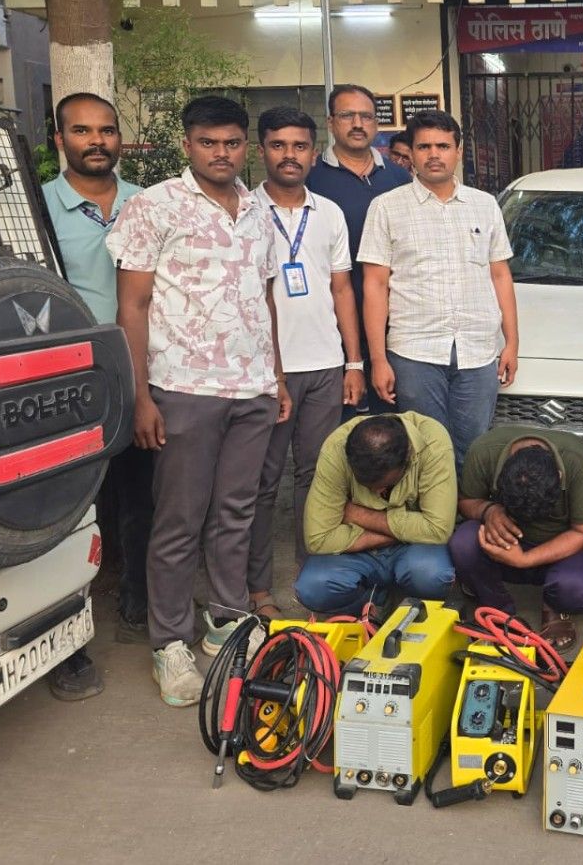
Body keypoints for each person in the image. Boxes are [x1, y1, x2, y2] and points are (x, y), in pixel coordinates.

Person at [107, 95, 291, 708]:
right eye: (208, 142)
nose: (221, 153)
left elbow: (264, 300)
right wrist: (140, 397)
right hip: (183, 389)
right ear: (187, 145)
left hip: (251, 388)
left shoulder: (258, 211)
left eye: (232, 143)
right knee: (179, 519)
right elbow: (131, 306)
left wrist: (276, 377)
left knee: (236, 511)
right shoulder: (154, 206)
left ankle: (226, 619)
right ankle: (169, 642)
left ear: (246, 147)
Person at [41, 92, 150, 701]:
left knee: (140, 492)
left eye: (107, 130)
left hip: (140, 371)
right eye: (82, 131)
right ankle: (65, 637)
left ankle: (137, 600)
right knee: (70, 507)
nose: (97, 141)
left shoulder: (148, 202)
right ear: (60, 139)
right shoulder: (32, 210)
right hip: (65, 379)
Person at [248, 107, 365, 619]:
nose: (289, 155)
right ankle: (257, 589)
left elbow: (342, 289)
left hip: (324, 363)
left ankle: (312, 579)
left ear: (314, 154)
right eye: (278, 145)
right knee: (262, 481)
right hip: (264, 370)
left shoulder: (330, 213)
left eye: (299, 146)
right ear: (262, 152)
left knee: (317, 478)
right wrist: (272, 373)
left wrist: (353, 362)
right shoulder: (245, 210)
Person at [358, 109, 518, 470]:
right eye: (424, 147)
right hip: (415, 351)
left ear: (458, 151)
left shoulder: (485, 205)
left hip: (477, 350)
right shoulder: (386, 208)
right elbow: (375, 285)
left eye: (443, 146)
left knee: (474, 450)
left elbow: (500, 275)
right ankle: (433, 509)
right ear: (411, 153)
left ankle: (466, 508)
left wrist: (512, 342)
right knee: (425, 450)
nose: (434, 155)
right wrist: (378, 359)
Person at [448, 425, 583, 650]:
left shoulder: (581, 462)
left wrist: (524, 560)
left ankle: (553, 609)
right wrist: (488, 510)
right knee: (463, 544)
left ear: (559, 477)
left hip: (560, 549)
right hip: (505, 542)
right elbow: (466, 502)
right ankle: (497, 607)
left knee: (576, 591)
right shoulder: (484, 451)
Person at [307, 85, 411, 413]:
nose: (357, 124)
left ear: (376, 123)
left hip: (395, 325)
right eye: (347, 115)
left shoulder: (399, 179)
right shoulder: (311, 181)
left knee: (393, 423)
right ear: (330, 122)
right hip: (333, 325)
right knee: (342, 424)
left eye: (366, 116)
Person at [295, 413, 456, 614]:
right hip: (373, 548)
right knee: (312, 588)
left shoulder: (432, 441)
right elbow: (318, 539)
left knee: (431, 576)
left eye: (384, 485)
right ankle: (376, 602)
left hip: (411, 549)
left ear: (406, 458)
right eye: (366, 486)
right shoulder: (337, 447)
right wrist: (410, 530)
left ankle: (406, 604)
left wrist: (359, 515)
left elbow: (438, 529)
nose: (376, 493)